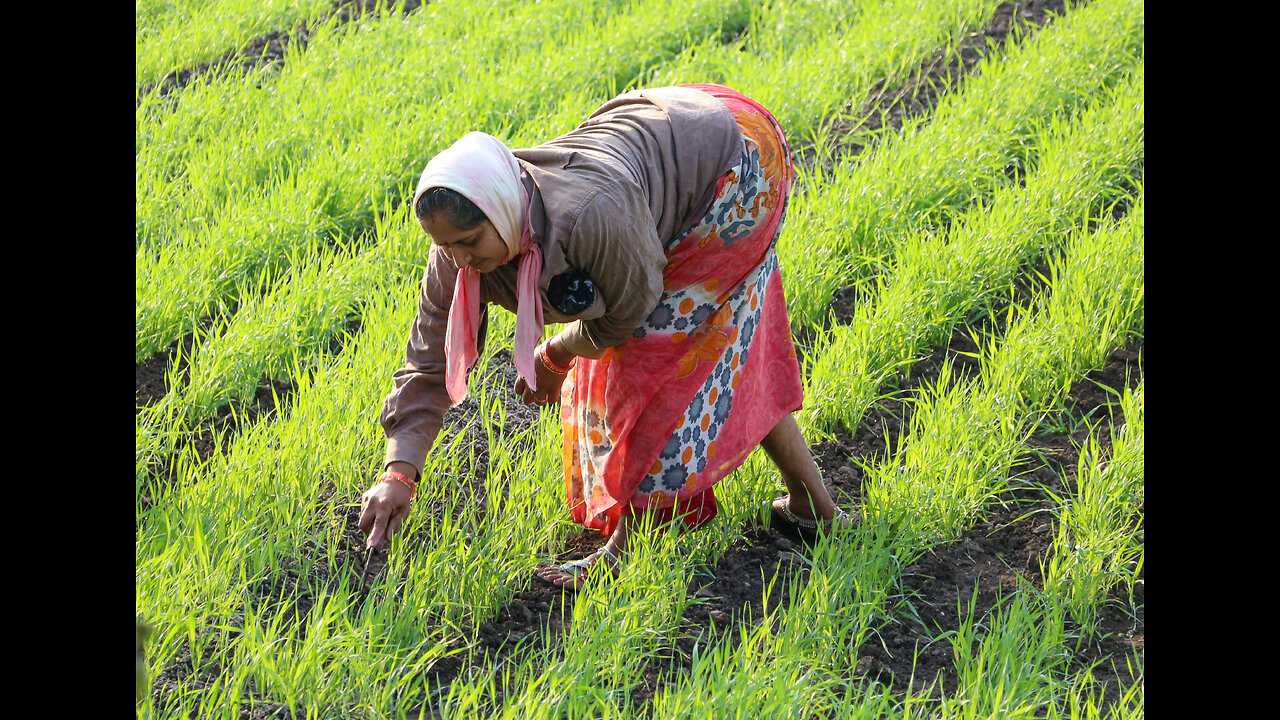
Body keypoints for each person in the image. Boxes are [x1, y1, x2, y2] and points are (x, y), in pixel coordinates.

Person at [358, 84, 853, 589]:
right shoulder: (459, 254)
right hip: (671, 143)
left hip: (736, 169)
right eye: (445, 246)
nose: (460, 259)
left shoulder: (589, 216)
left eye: (469, 242)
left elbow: (630, 313)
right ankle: (813, 507)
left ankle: (624, 549)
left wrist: (558, 351)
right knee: (723, 350)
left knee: (654, 366)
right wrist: (399, 471)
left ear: (504, 204)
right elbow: (429, 361)